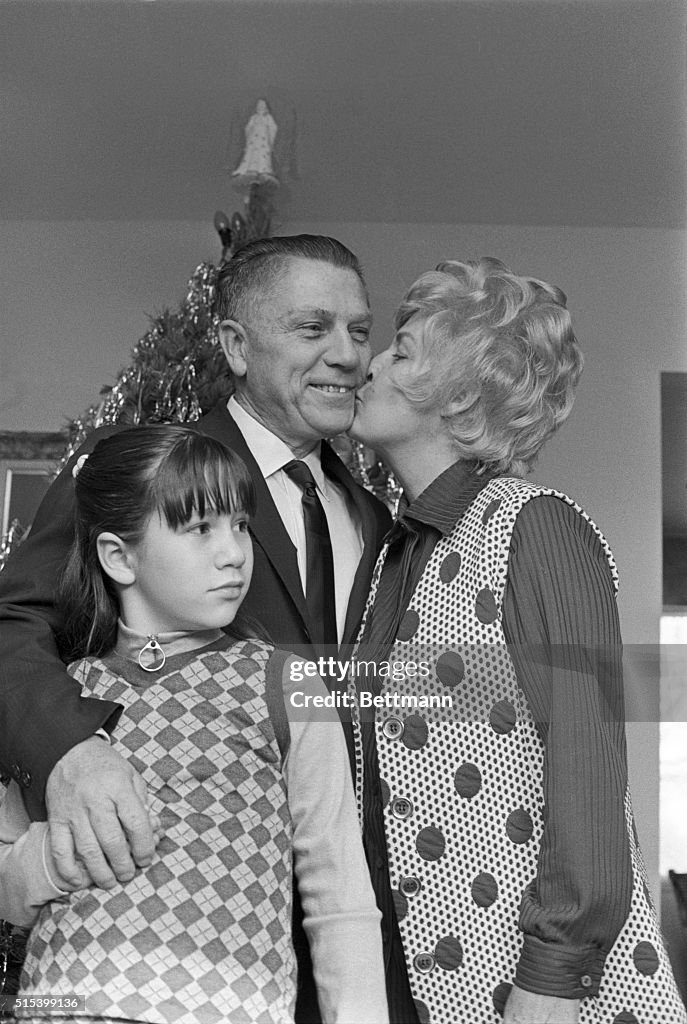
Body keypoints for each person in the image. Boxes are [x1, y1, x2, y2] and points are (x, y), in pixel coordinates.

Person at [0, 235, 391, 1021]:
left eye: (359, 330)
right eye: (314, 330)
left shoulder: (376, 515)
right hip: (125, 941)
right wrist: (71, 753)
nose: (347, 355)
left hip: (323, 943)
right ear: (235, 346)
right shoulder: (139, 473)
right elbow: (12, 619)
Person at [348, 257, 687, 1023]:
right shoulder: (394, 558)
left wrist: (552, 978)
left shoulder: (533, 526)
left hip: (527, 989)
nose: (368, 364)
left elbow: (587, 762)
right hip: (402, 979)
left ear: (460, 394)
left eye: (399, 351)